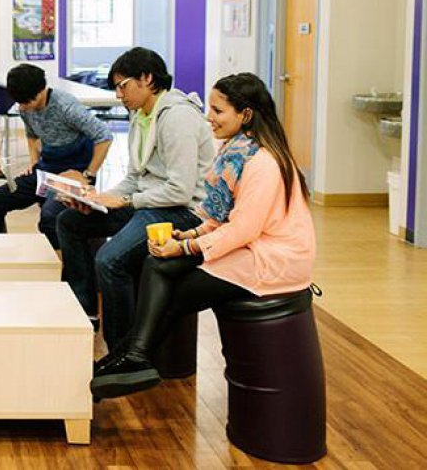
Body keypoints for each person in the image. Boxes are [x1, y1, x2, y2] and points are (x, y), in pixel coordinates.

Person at [91, 73, 316, 399]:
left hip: (272, 260)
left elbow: (243, 228)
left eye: (218, 110)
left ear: (246, 114)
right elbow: (221, 218)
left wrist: (187, 247)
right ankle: (131, 357)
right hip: (249, 247)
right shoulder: (237, 152)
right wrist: (191, 234)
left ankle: (129, 357)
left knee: (172, 291)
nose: (209, 117)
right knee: (156, 265)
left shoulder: (262, 163)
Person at [56, 47, 215, 349]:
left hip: (183, 212)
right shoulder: (141, 115)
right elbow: (135, 177)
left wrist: (127, 202)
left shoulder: (177, 117)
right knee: (70, 221)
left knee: (109, 260)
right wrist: (98, 198)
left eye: (123, 86)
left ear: (147, 79)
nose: (119, 95)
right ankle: (86, 311)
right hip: (150, 203)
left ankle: (124, 350)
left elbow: (180, 190)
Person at [0, 64, 113, 248]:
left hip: (74, 175)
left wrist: (88, 175)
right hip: (46, 171)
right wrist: (34, 162)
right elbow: (32, 135)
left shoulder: (66, 107)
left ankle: (62, 263)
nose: (22, 107)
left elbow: (104, 136)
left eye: (26, 102)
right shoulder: (24, 108)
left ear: (41, 90)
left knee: (50, 218)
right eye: (20, 103)